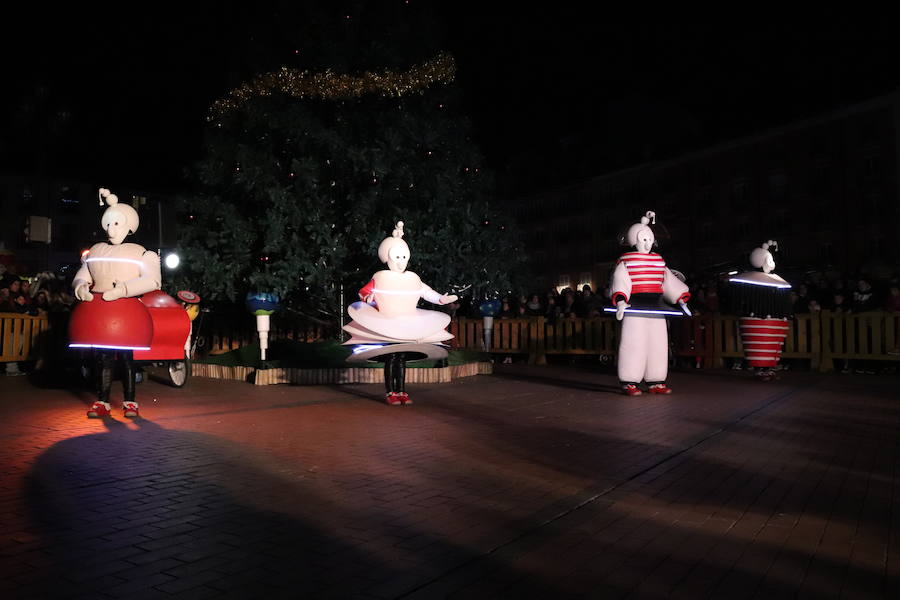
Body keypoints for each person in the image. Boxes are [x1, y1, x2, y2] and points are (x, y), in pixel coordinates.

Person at [69, 189, 162, 418]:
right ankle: (102, 400)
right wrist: (81, 287)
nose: (112, 229)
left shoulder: (139, 253)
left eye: (117, 223)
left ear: (129, 225)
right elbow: (83, 274)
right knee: (103, 359)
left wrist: (123, 290)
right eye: (109, 223)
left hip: (127, 313)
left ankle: (130, 401)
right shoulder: (97, 251)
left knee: (128, 359)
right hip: (98, 313)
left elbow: (152, 280)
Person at [342, 221, 458, 405]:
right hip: (386, 323)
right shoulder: (380, 277)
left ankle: (401, 391)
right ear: (387, 257)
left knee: (401, 356)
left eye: (403, 256)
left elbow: (428, 293)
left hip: (409, 323)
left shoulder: (413, 278)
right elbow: (365, 292)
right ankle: (391, 392)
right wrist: (368, 298)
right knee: (392, 356)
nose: (400, 261)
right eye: (396, 256)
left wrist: (442, 299)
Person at [610, 211, 690, 396]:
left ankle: (656, 381)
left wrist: (680, 298)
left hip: (656, 306)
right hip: (634, 306)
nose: (647, 244)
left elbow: (667, 280)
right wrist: (621, 301)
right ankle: (629, 381)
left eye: (649, 239)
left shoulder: (658, 260)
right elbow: (621, 280)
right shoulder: (626, 260)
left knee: (658, 344)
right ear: (634, 240)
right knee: (633, 343)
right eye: (643, 240)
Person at [727, 241, 793, 382]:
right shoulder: (750, 283)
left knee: (769, 344)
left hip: (772, 318)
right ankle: (760, 369)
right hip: (757, 317)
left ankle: (768, 368)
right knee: (759, 344)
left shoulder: (773, 282)